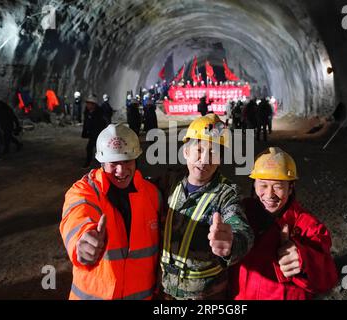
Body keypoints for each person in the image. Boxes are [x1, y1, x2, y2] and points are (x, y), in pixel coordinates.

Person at [158, 114, 254, 300]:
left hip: (205, 297)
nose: (204, 160)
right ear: (186, 152)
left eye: (213, 153)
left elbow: (241, 228)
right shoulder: (169, 182)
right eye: (199, 150)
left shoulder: (226, 194)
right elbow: (136, 189)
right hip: (165, 293)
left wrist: (232, 243)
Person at [60, 123, 160, 300]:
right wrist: (81, 243)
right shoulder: (85, 191)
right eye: (113, 163)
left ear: (136, 159)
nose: (121, 171)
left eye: (127, 161)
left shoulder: (152, 194)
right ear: (102, 162)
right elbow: (77, 215)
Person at [230, 147, 339, 300]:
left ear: (290, 188)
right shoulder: (240, 214)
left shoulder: (309, 227)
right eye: (263, 185)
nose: (269, 194)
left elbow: (328, 278)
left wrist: (304, 260)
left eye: (278, 186)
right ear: (254, 185)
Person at [81, 94, 107, 168]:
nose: (87, 105)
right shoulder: (87, 112)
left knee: (99, 149)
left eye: (89, 103)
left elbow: (102, 124)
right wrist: (85, 132)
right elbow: (86, 122)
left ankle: (105, 163)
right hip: (92, 134)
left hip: (98, 134)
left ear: (94, 104)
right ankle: (88, 162)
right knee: (90, 148)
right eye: (87, 103)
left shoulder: (99, 113)